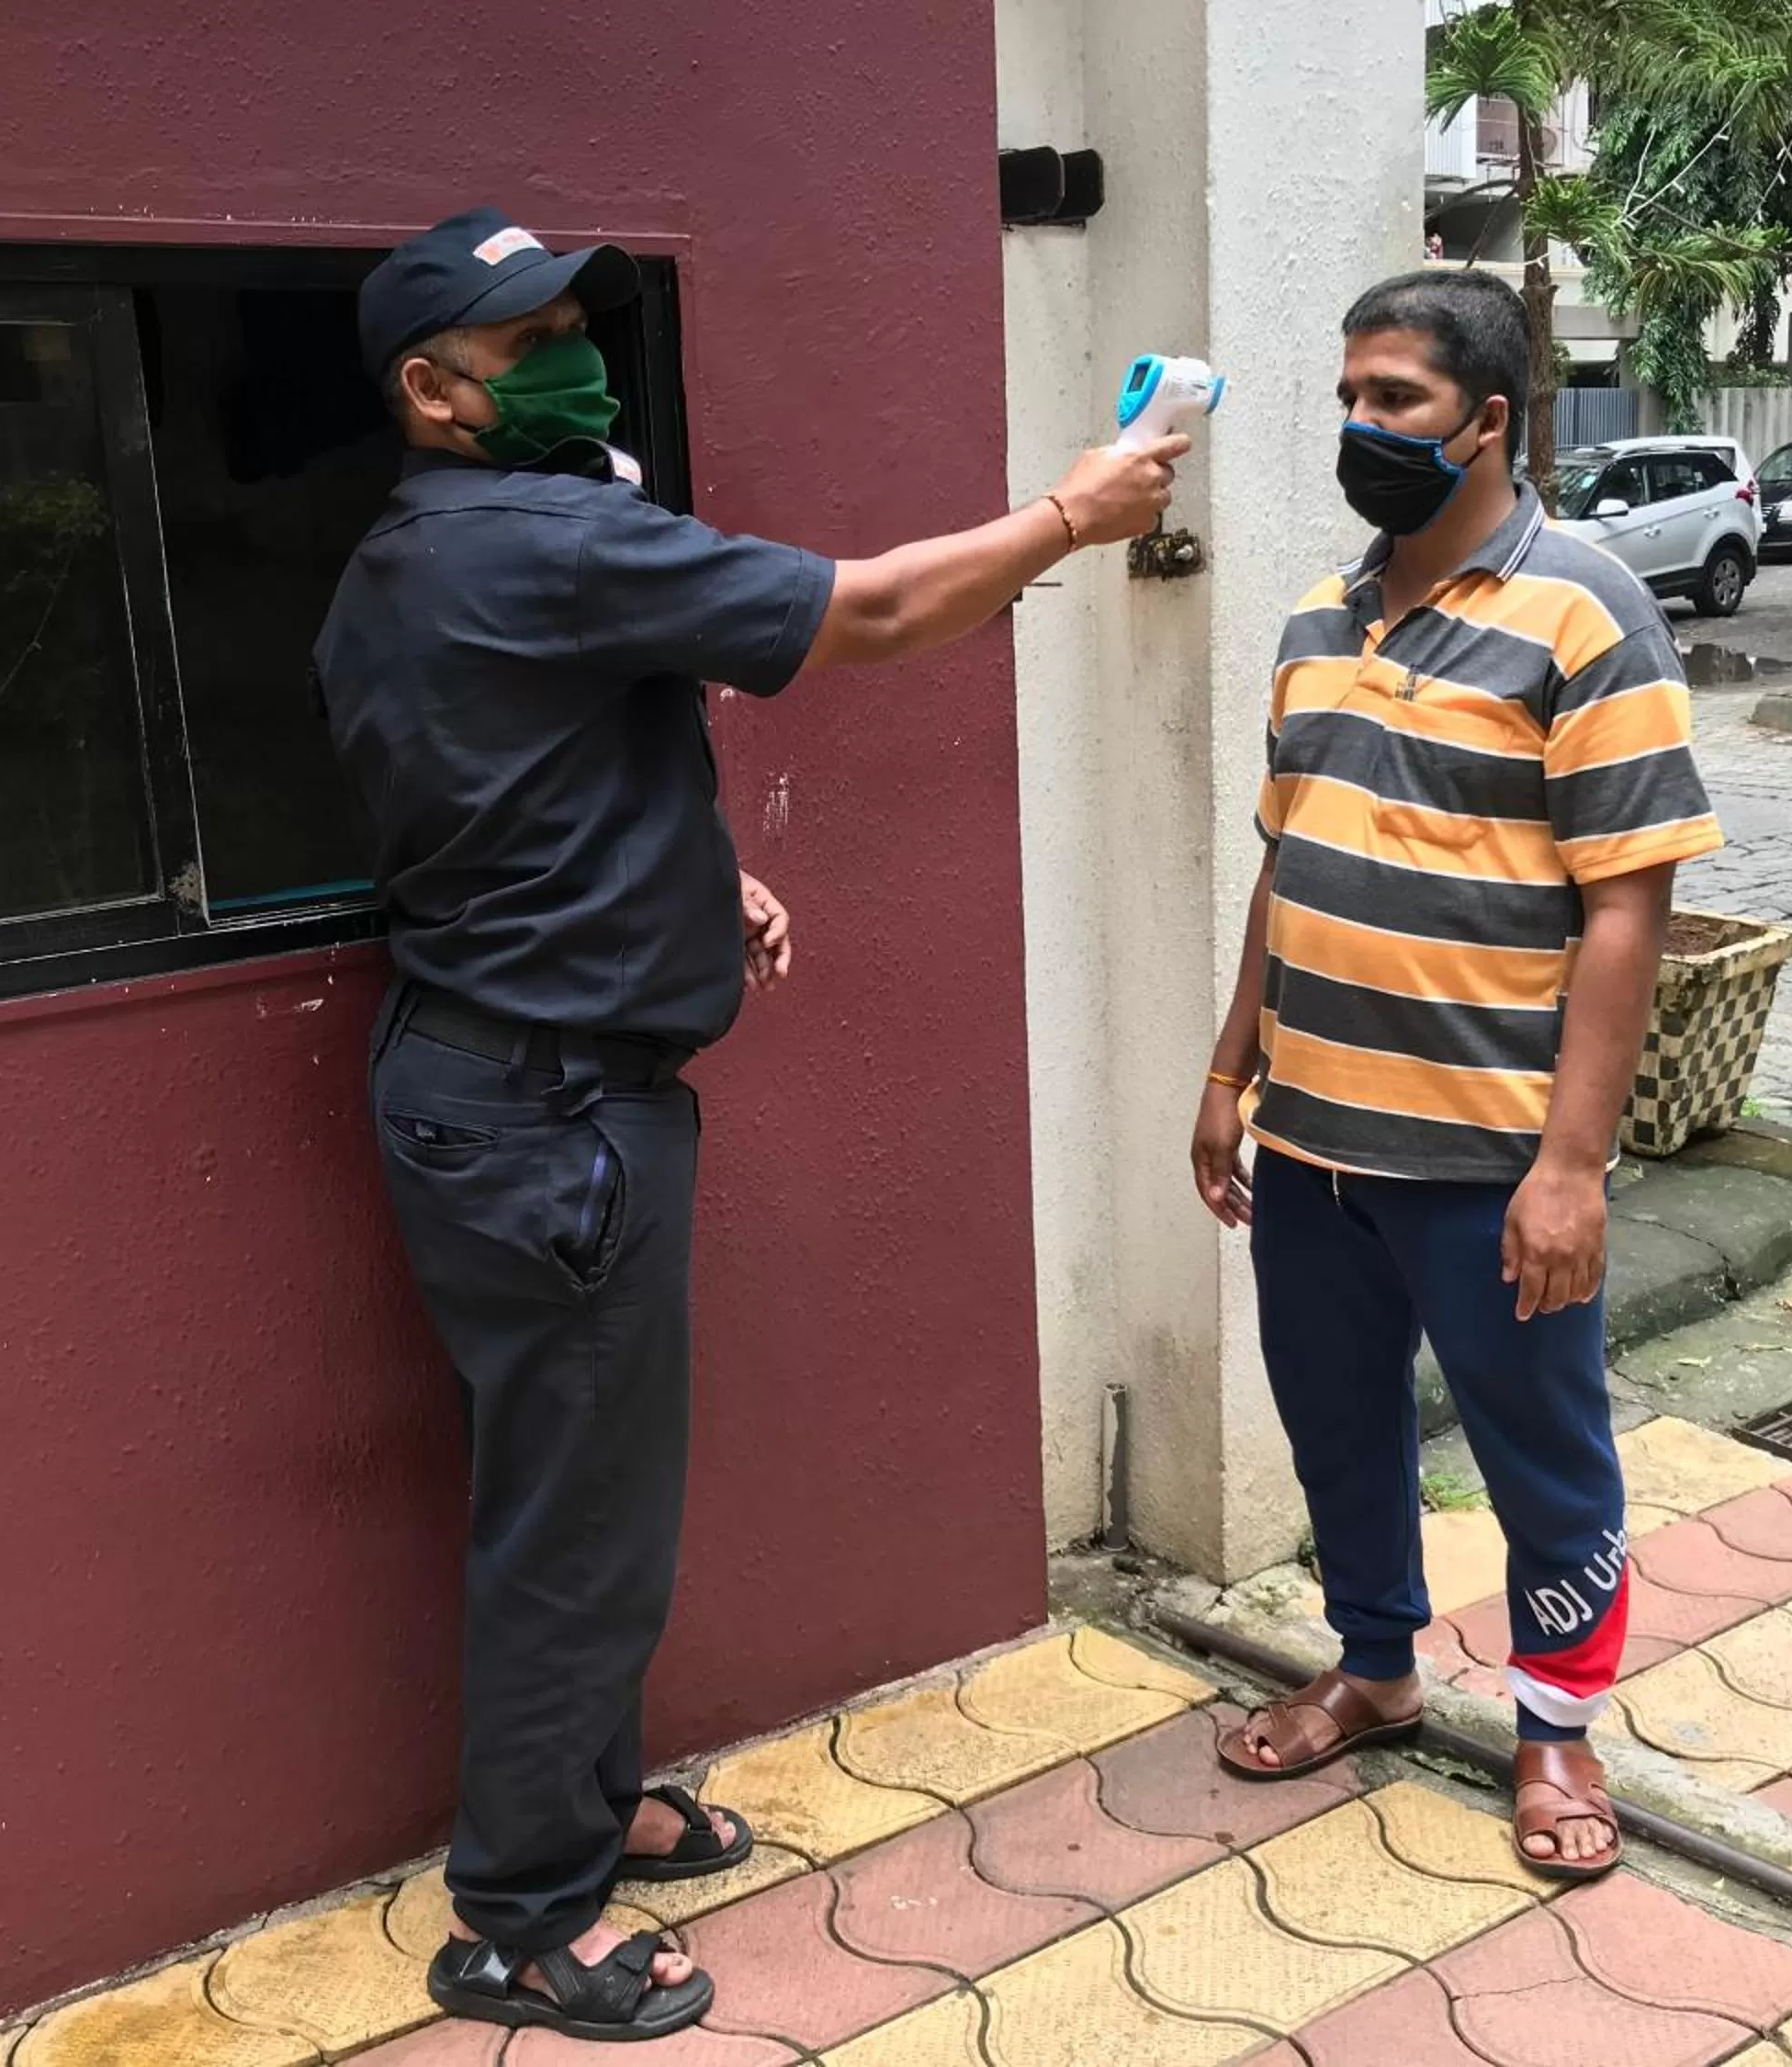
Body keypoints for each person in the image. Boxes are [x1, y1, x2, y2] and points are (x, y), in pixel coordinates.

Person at [312, 208, 1181, 2045]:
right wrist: (1070, 520)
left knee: (578, 1497)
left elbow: (521, 797)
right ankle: (523, 1926)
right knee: (578, 1527)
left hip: (497, 1086)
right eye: (531, 334)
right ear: (430, 389)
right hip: (551, 1118)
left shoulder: (405, 564)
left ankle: (579, 1807)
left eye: (576, 323)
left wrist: (698, 884)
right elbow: (862, 612)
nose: (576, 357)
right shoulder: (544, 539)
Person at [1189, 269, 1722, 1881]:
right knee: (1336, 1426)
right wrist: (1229, 1073)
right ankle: (1376, 1664)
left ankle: (1556, 1724)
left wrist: (1572, 1164)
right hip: (1316, 1144)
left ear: (1490, 420)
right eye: (1349, 396)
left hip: (1489, 1158)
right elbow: (1291, 870)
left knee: (1541, 1449)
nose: (1361, 426)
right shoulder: (1310, 623)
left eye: (1397, 400)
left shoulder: (1585, 607)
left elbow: (1629, 900)